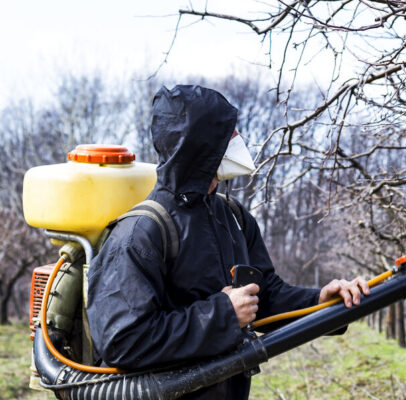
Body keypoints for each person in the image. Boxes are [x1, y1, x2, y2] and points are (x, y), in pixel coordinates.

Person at [86, 85, 369, 399]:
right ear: (200, 146)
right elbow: (123, 342)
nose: (237, 140)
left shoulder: (233, 216)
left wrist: (320, 301)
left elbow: (263, 297)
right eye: (227, 134)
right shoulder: (140, 233)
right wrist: (223, 313)